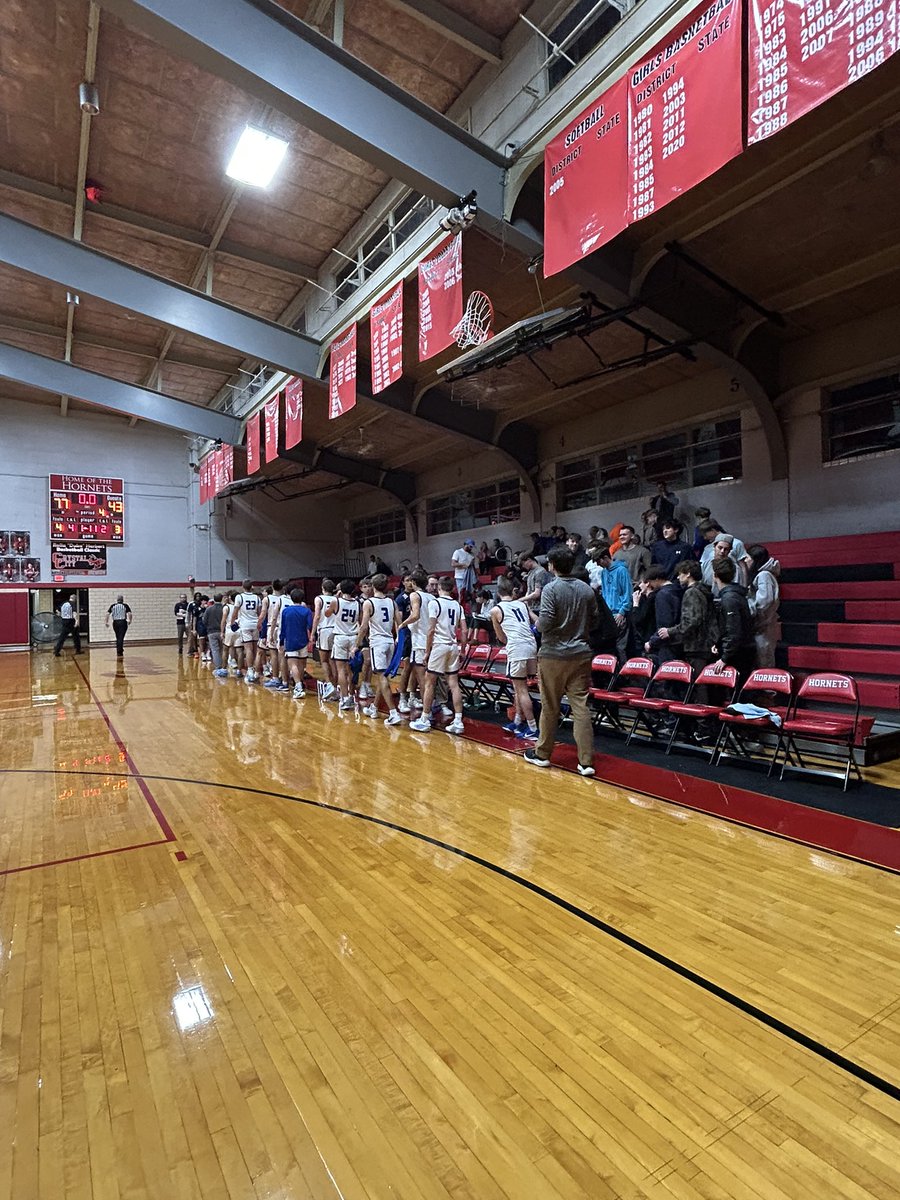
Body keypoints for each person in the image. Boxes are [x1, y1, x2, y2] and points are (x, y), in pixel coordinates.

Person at [524, 546, 597, 776]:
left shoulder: (551, 589)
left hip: (553, 655)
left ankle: (543, 754)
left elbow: (545, 624)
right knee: (581, 707)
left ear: (552, 566)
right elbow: (594, 620)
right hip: (581, 654)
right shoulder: (586, 589)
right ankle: (586, 762)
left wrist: (535, 622)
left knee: (550, 705)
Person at [656, 560, 719, 742]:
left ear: (688, 573)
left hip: (696, 646)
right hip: (704, 644)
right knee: (703, 689)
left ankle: (704, 729)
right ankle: (704, 728)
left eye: (680, 573)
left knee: (700, 689)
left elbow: (692, 621)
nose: (678, 577)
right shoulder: (703, 591)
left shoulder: (692, 592)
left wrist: (671, 631)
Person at [410, 577, 467, 734]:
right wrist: (462, 650)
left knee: (429, 682)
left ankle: (424, 719)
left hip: (439, 646)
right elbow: (464, 630)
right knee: (453, 684)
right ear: (452, 588)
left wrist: (427, 652)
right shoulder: (458, 605)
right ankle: (458, 721)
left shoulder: (435, 603)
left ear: (439, 587)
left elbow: (431, 630)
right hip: (453, 646)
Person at [490, 575, 539, 739]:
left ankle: (533, 727)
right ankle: (518, 721)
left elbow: (501, 638)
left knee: (521, 689)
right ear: (513, 591)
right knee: (519, 686)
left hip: (517, 648)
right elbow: (536, 622)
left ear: (498, 592)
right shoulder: (522, 605)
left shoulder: (496, 610)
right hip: (531, 645)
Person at [358, 574, 401, 725]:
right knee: (383, 677)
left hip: (377, 642)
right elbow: (399, 623)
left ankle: (393, 713)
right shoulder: (392, 602)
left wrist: (356, 644)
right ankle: (374, 708)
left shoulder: (368, 603)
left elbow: (364, 627)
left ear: (373, 586)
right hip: (390, 641)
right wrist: (398, 638)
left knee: (382, 677)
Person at [711, 557, 756, 680]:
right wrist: (719, 643)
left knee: (736, 689)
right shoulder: (737, 595)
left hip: (737, 654)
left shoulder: (729, 599)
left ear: (715, 575)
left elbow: (733, 630)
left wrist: (725, 658)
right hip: (742, 650)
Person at [397, 569, 429, 713]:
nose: (409, 583)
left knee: (417, 669)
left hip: (419, 634)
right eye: (407, 580)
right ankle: (402, 698)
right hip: (408, 634)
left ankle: (412, 696)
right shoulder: (401, 598)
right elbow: (399, 619)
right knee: (408, 667)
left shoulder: (421, 596)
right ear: (403, 582)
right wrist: (400, 632)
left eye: (411, 580)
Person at [593, 543, 632, 662]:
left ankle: (623, 670)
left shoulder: (621, 571)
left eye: (599, 561)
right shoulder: (604, 572)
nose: (598, 565)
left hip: (619, 612)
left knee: (621, 647)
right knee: (610, 646)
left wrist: (622, 612)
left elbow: (627, 593)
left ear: (606, 558)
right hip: (609, 613)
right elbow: (604, 593)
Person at [746, 544, 781, 668]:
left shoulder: (764, 575)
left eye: (748, 558)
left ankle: (767, 681)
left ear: (755, 560)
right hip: (763, 624)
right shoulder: (763, 575)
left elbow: (764, 601)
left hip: (764, 625)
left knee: (764, 660)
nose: (745, 560)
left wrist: (750, 611)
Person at [331, 579, 361, 710]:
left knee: (341, 670)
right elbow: (360, 621)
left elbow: (327, 613)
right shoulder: (358, 603)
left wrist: (337, 597)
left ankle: (344, 698)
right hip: (353, 637)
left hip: (340, 637)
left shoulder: (336, 602)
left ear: (341, 590)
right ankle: (351, 695)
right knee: (351, 669)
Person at [279, 588, 314, 699]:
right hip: (303, 640)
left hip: (290, 641)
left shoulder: (286, 611)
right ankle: (300, 684)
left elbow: (283, 628)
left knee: (293, 665)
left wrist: (281, 641)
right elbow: (310, 625)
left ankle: (298, 687)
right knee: (301, 665)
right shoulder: (307, 611)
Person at [309, 579, 338, 700]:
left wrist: (312, 632)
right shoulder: (336, 600)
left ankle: (329, 684)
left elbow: (317, 616)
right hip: (336, 630)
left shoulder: (319, 599)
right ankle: (336, 687)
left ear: (322, 588)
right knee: (333, 660)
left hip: (325, 630)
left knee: (324, 660)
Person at [231, 580, 261, 682]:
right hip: (255, 624)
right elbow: (259, 613)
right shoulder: (257, 597)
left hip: (245, 625)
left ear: (242, 586)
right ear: (251, 587)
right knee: (255, 649)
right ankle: (256, 671)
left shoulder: (239, 597)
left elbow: (235, 612)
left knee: (248, 649)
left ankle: (250, 670)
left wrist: (232, 623)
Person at [451, 539, 477, 605]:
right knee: (461, 593)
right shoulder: (458, 552)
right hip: (460, 576)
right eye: (470, 546)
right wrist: (464, 565)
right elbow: (453, 564)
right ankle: (461, 607)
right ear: (466, 545)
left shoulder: (472, 554)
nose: (471, 548)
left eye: (472, 547)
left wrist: (476, 575)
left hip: (470, 577)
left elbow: (473, 566)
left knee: (470, 593)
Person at [205, 593, 225, 671]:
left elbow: (204, 620)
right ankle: (224, 665)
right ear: (222, 598)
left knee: (215, 650)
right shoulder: (224, 608)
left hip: (211, 631)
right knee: (223, 649)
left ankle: (218, 666)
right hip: (222, 631)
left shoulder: (209, 609)